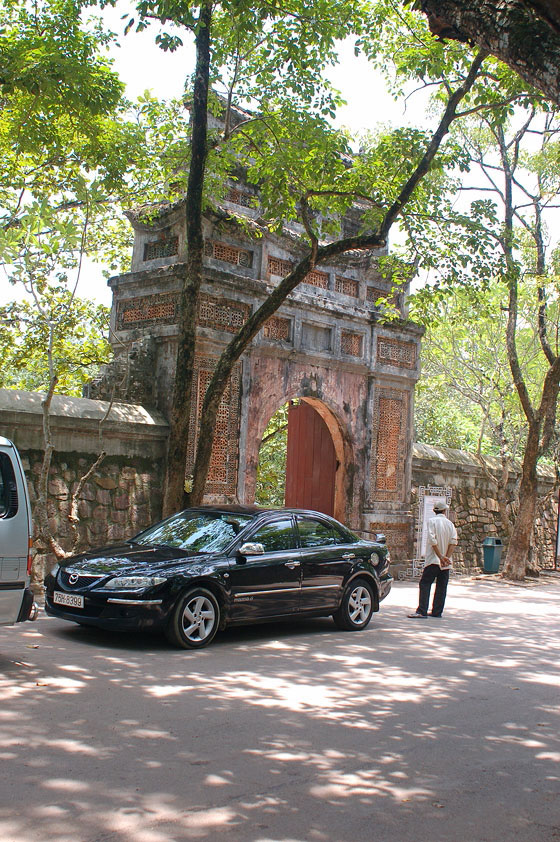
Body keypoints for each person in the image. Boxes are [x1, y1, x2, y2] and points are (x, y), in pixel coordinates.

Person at [408, 501, 457, 618]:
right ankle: (437, 611)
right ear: (445, 511)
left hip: (433, 560)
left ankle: (422, 610)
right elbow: (453, 542)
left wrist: (440, 557)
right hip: (446, 562)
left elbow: (432, 540)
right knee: (441, 586)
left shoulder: (432, 522)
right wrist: (446, 558)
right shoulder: (450, 524)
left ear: (434, 511)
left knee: (425, 583)